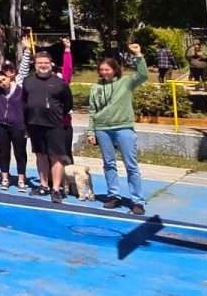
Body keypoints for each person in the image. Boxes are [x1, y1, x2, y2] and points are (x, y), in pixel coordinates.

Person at [87, 43, 149, 215]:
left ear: (115, 70)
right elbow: (92, 111)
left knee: (131, 165)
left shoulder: (126, 82)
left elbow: (143, 75)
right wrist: (91, 131)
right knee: (109, 164)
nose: (104, 72)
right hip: (102, 129)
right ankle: (113, 195)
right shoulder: (96, 88)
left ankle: (137, 200)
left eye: (107, 69)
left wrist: (138, 55)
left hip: (123, 128)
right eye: (101, 70)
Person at [23, 50, 73, 203]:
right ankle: (44, 185)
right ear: (35, 65)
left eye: (45, 63)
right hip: (35, 124)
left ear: (51, 64)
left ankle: (56, 189)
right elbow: (24, 103)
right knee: (41, 155)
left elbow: (68, 104)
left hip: (54, 126)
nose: (43, 65)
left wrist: (56, 115)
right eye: (40, 63)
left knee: (56, 157)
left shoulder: (60, 83)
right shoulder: (28, 81)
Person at [0, 43, 32, 192]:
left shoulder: (20, 84)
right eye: (5, 70)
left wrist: (27, 50)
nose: (7, 74)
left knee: (20, 153)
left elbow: (24, 68)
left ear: (13, 74)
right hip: (1, 125)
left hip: (18, 125)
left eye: (10, 70)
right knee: (4, 152)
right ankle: (5, 177)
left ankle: (21, 178)